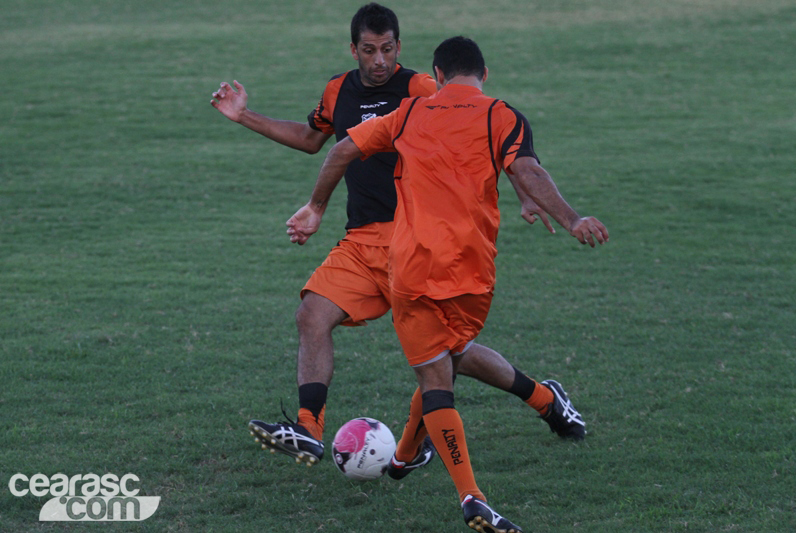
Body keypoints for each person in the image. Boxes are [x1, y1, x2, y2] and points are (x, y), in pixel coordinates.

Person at [211, 3, 585, 472]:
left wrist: (524, 193)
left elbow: (476, 130)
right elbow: (313, 140)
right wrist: (245, 117)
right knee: (311, 314)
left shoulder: (422, 89)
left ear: (400, 48)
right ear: (354, 50)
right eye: (369, 50)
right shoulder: (337, 90)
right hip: (364, 240)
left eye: (388, 49)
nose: (380, 60)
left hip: (420, 243)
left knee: (453, 358)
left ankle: (546, 400)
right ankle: (309, 429)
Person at [289, 36, 608, 532]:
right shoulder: (499, 114)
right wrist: (569, 219)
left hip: (412, 268)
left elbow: (344, 149)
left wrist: (316, 207)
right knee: (440, 363)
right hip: (472, 273)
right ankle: (434, 473)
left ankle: (451, 478)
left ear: (436, 74)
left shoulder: (409, 113)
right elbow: (524, 166)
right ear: (485, 73)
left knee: (437, 372)